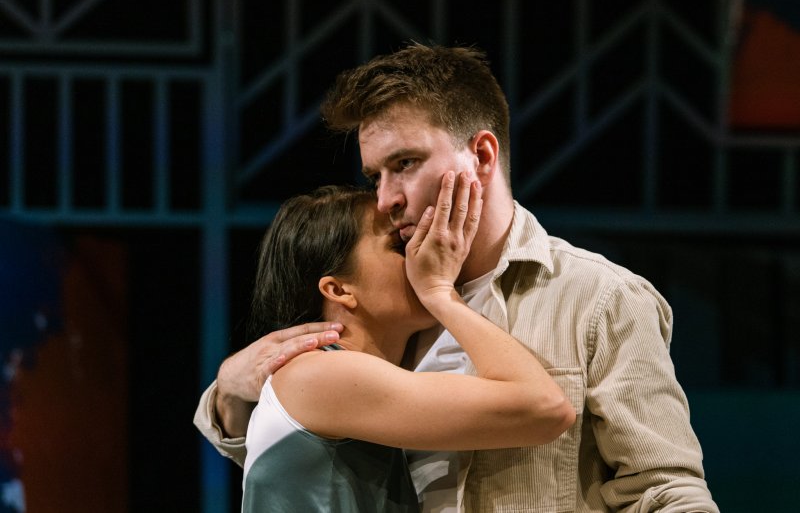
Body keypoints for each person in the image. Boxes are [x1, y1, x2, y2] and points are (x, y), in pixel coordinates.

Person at [195, 43, 719, 512]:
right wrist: (229, 395)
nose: (386, 198)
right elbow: (312, 455)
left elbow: (666, 489)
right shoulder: (391, 310)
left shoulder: (599, 297)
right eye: (375, 175)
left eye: (405, 163)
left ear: (482, 156)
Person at [235, 181, 575, 512]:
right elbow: (545, 408)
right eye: (400, 245)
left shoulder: (338, 377)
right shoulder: (317, 374)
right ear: (339, 290)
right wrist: (439, 292)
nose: (421, 254)